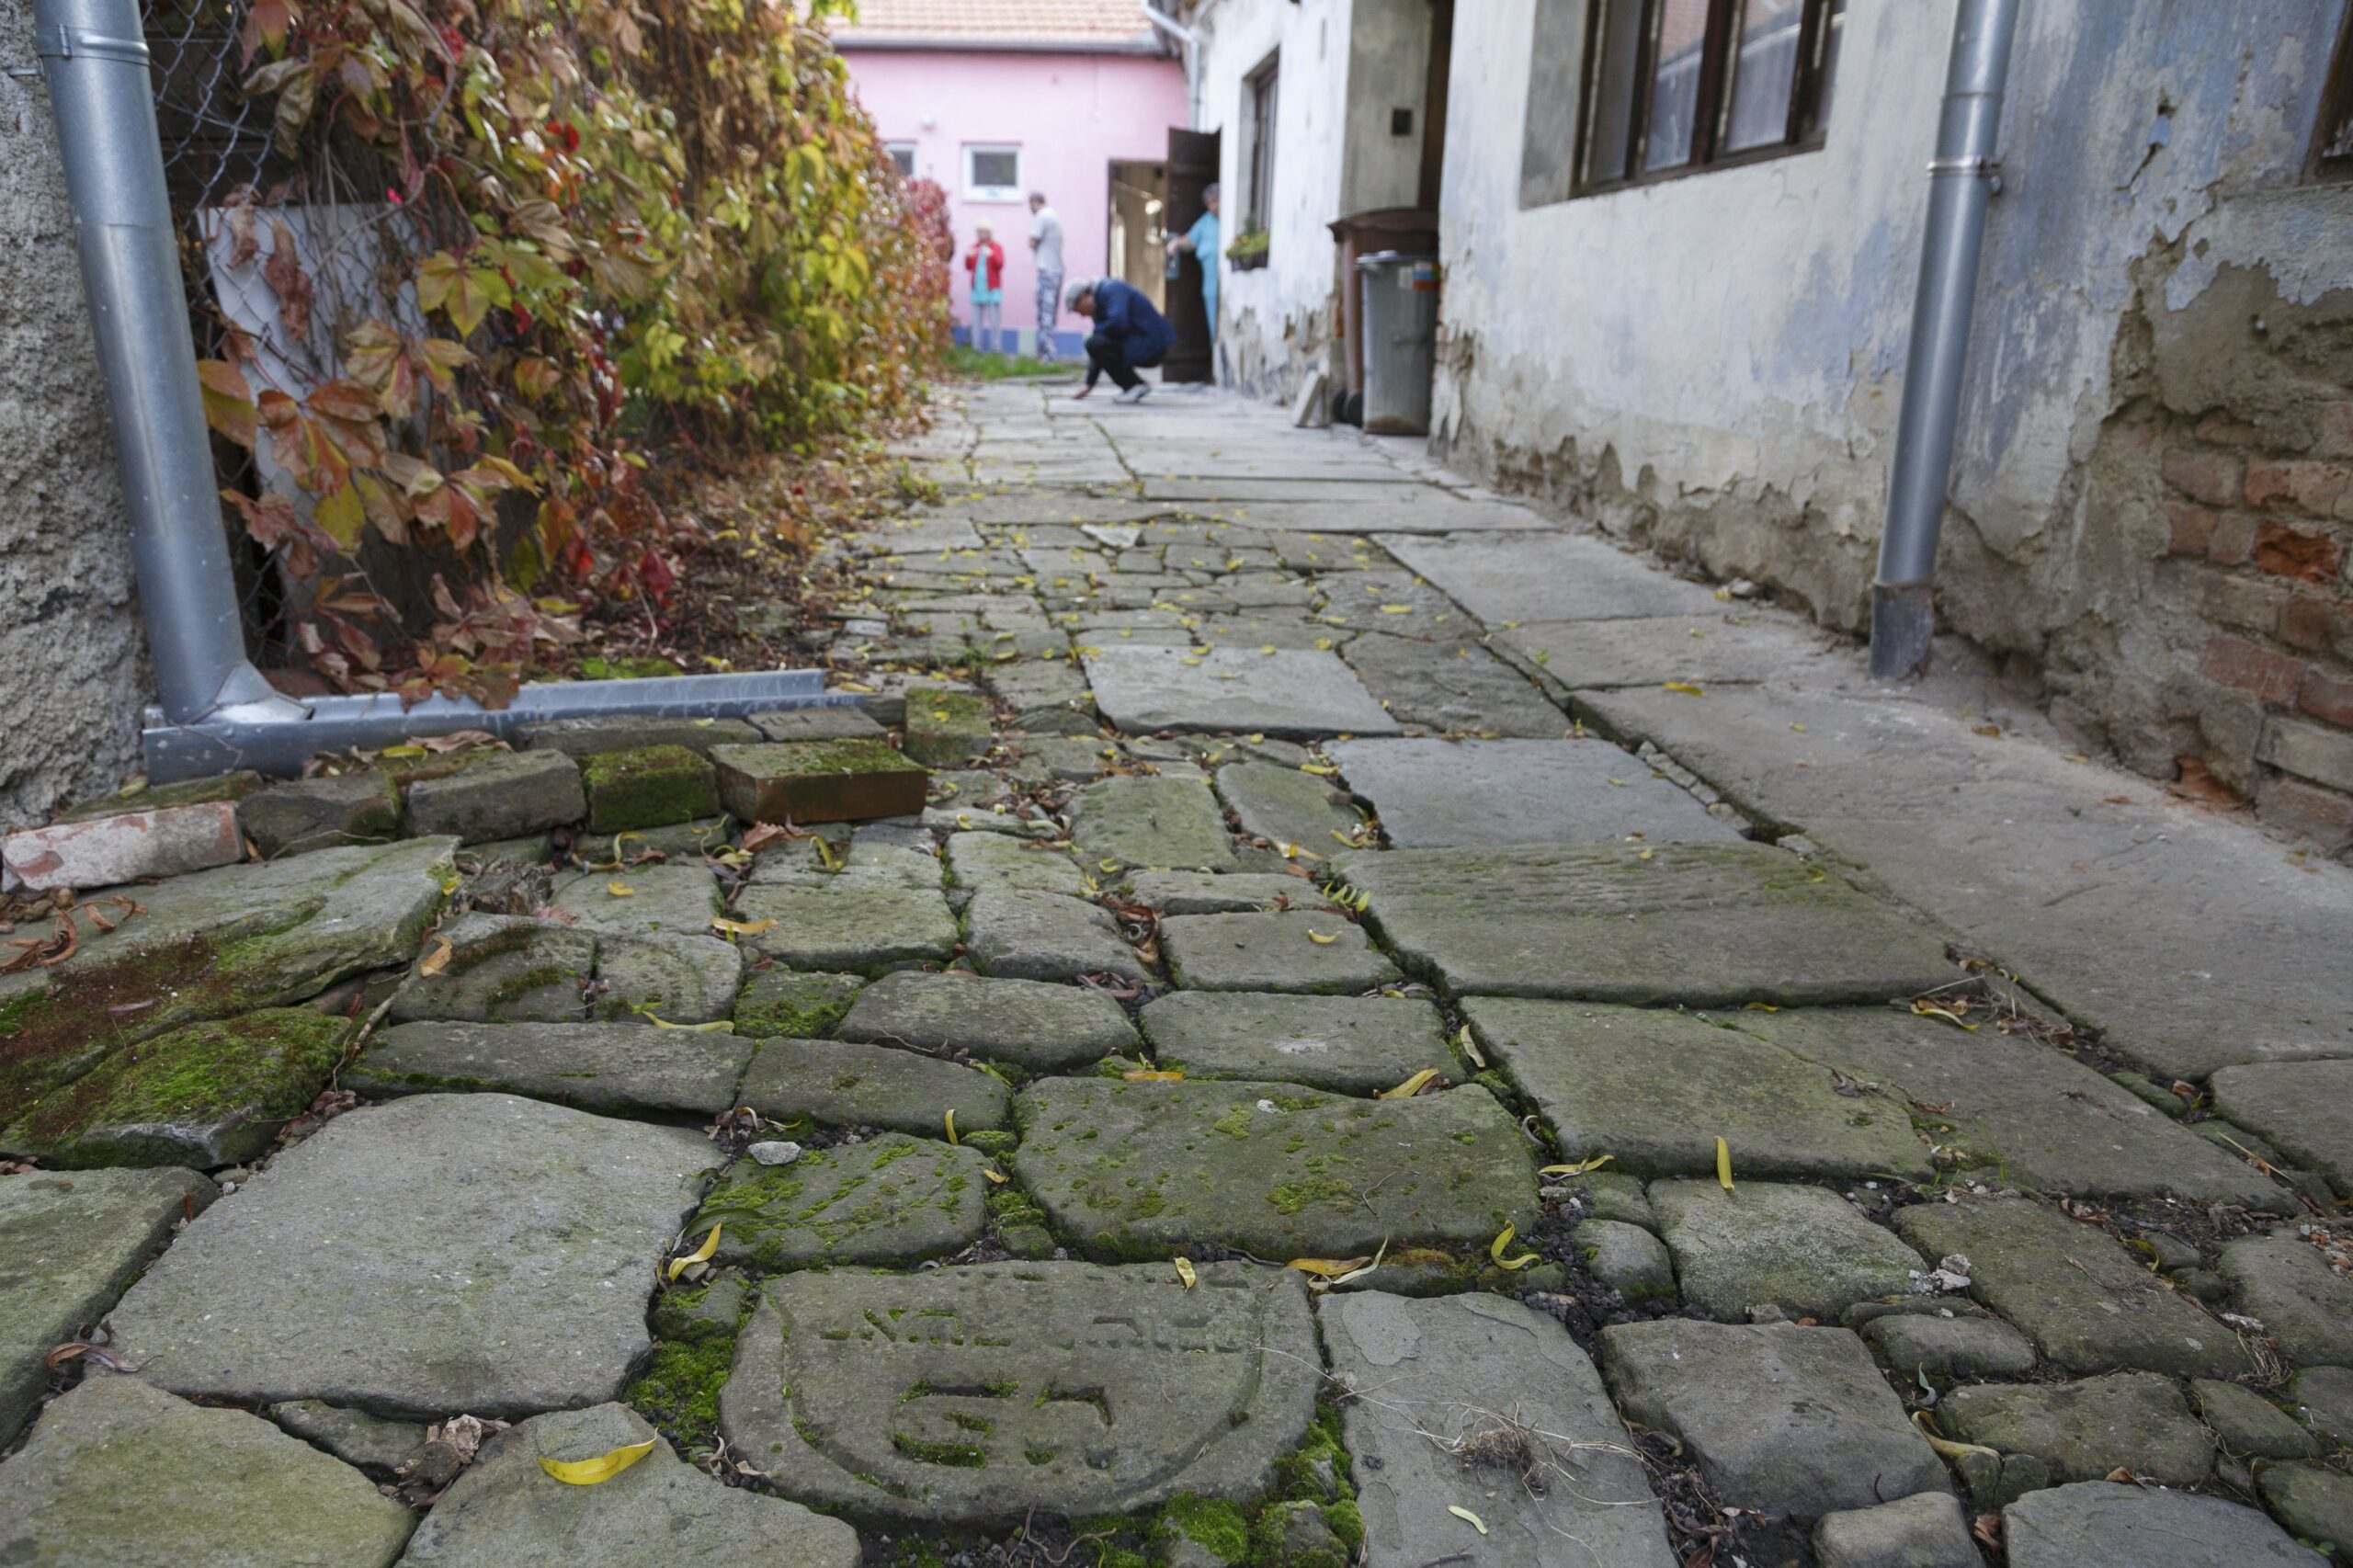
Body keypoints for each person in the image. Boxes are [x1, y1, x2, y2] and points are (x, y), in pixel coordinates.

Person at [1064, 277, 1174, 404]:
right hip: (1140, 341)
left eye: (1078, 311)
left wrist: (1096, 331)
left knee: (1095, 342)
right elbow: (1098, 347)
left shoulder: (1111, 289)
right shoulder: (1100, 302)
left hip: (1152, 343)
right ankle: (1133, 386)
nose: (1082, 316)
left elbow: (1119, 322)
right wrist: (1089, 383)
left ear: (1083, 297)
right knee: (1095, 342)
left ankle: (1133, 386)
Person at [1165, 182, 1221, 343]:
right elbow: (1190, 239)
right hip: (1211, 286)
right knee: (1214, 329)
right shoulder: (1206, 222)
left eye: (1215, 201)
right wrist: (1175, 243)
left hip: (1228, 285)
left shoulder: (1231, 219)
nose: (1212, 207)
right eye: (1209, 203)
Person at [1027, 191, 1064, 362]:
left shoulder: (1042, 216)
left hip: (1047, 270)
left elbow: (1033, 240)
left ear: (1035, 203)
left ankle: (1048, 355)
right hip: (1055, 270)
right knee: (1048, 312)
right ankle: (1043, 351)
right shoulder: (1054, 215)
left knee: (1045, 313)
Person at [963, 224, 1005, 355]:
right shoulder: (974, 247)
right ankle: (977, 348)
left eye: (985, 232)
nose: (983, 235)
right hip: (977, 290)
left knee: (994, 321)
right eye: (980, 232)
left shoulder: (996, 247)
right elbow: (968, 267)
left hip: (992, 290)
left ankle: (996, 349)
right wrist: (968, 256)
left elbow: (1000, 265)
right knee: (976, 321)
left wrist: (991, 255)